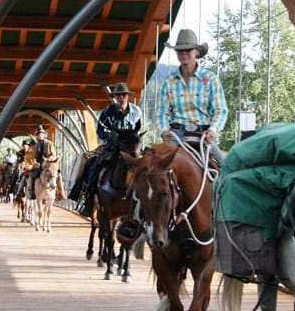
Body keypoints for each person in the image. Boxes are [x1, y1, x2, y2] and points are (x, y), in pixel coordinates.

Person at [157, 28, 228, 163]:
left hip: (204, 135)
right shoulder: (169, 82)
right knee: (154, 169)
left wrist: (212, 130)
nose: (184, 53)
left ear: (197, 52)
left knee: (225, 169)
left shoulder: (211, 79)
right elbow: (162, 112)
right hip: (176, 136)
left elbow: (220, 110)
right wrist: (164, 131)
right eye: (179, 50)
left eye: (188, 50)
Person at [78, 82, 142, 217]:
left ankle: (144, 204)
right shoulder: (107, 112)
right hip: (112, 148)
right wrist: (110, 135)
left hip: (131, 149)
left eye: (123, 95)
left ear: (127, 96)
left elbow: (138, 129)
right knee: (95, 166)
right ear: (115, 97)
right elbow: (100, 131)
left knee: (145, 169)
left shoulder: (137, 112)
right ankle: (88, 200)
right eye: (118, 95)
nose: (121, 97)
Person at [27, 126, 57, 197]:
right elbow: (34, 157)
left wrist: (48, 159)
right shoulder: (35, 145)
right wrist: (35, 162)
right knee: (31, 174)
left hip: (49, 163)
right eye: (39, 134)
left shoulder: (50, 143)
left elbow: (53, 154)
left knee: (58, 175)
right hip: (39, 164)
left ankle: (60, 192)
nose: (40, 135)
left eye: (41, 134)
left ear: (44, 135)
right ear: (37, 136)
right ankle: (31, 191)